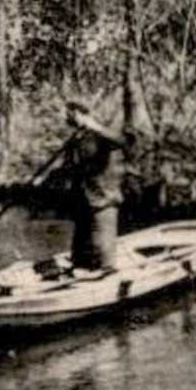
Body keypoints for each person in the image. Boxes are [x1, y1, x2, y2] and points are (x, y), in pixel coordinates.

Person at [62, 99, 126, 273]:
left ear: (81, 114)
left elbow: (120, 141)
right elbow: (72, 168)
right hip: (83, 202)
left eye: (71, 114)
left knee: (104, 255)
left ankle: (106, 286)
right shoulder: (76, 140)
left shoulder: (100, 135)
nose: (68, 118)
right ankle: (78, 282)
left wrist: (95, 126)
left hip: (102, 201)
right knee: (79, 257)